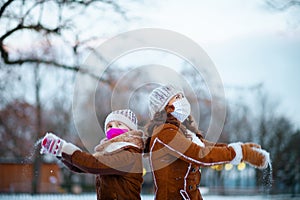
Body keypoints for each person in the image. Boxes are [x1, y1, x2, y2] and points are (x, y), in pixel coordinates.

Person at [144, 84, 270, 200]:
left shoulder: (181, 132)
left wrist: (241, 149)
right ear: (165, 107)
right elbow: (201, 154)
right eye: (177, 97)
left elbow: (207, 147)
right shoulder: (164, 133)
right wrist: (241, 153)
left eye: (182, 96)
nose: (182, 100)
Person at [40, 109, 144, 200]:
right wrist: (60, 153)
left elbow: (94, 165)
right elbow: (82, 167)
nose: (113, 128)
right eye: (109, 126)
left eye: (119, 124)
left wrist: (63, 148)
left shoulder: (130, 154)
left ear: (131, 130)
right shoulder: (109, 153)